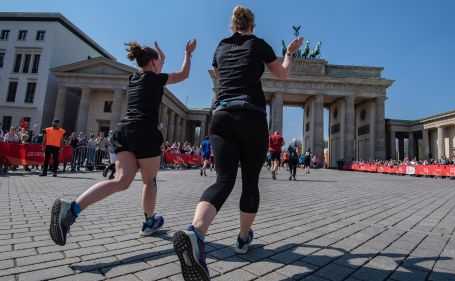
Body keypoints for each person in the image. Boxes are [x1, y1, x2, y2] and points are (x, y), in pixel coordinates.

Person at [172, 5, 303, 280]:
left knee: (223, 180)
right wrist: (289, 53)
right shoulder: (259, 44)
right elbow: (283, 74)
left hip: (220, 116)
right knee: (250, 181)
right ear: (252, 26)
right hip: (251, 115)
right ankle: (243, 238)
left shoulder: (220, 46)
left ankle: (195, 232)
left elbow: (219, 76)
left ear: (233, 25)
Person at [48, 39, 197, 246]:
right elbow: (184, 75)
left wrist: (160, 57)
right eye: (159, 62)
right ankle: (148, 222)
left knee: (121, 181)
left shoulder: (133, 78)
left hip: (124, 130)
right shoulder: (156, 79)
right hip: (145, 132)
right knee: (149, 181)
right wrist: (188, 54)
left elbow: (152, 70)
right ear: (154, 63)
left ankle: (71, 210)